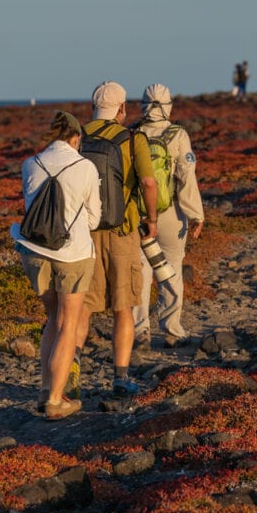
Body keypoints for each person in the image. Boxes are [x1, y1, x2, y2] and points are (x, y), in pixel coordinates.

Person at [11, 110, 100, 420]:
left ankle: (46, 388)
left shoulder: (29, 165)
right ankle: (54, 399)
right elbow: (94, 217)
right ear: (75, 138)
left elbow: (29, 206)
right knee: (68, 323)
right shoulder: (85, 167)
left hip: (34, 252)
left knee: (52, 318)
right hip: (73, 254)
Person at [76, 82, 158, 397]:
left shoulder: (79, 137)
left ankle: (72, 372)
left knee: (82, 307)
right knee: (123, 307)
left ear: (93, 107)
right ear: (122, 109)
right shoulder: (132, 138)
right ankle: (120, 378)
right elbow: (149, 182)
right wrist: (152, 219)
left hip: (85, 233)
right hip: (123, 232)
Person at [132, 85, 204, 348]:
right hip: (171, 214)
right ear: (168, 105)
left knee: (140, 272)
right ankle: (172, 329)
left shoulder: (133, 134)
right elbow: (187, 176)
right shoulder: (178, 135)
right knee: (171, 269)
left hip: (139, 215)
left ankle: (141, 331)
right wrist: (196, 215)